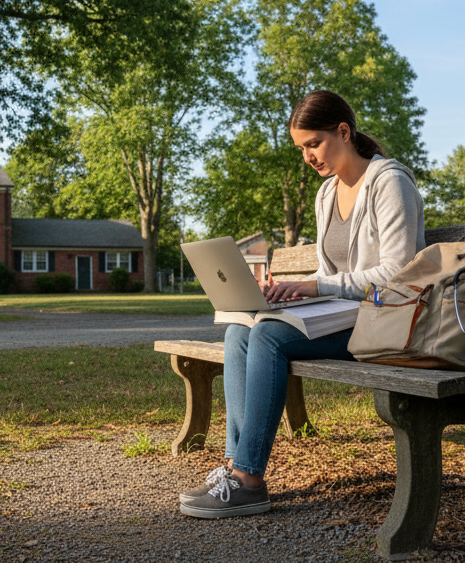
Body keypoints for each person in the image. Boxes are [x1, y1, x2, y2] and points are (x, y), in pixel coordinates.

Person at [179, 89, 425, 519]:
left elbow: (398, 274)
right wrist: (285, 292)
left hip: (386, 317)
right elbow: (334, 275)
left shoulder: (389, 181)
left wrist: (315, 287)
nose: (308, 156)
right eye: (301, 148)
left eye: (314, 143)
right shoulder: (326, 194)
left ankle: (250, 479)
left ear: (343, 131)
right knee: (242, 329)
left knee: (271, 335)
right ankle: (238, 469)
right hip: (345, 314)